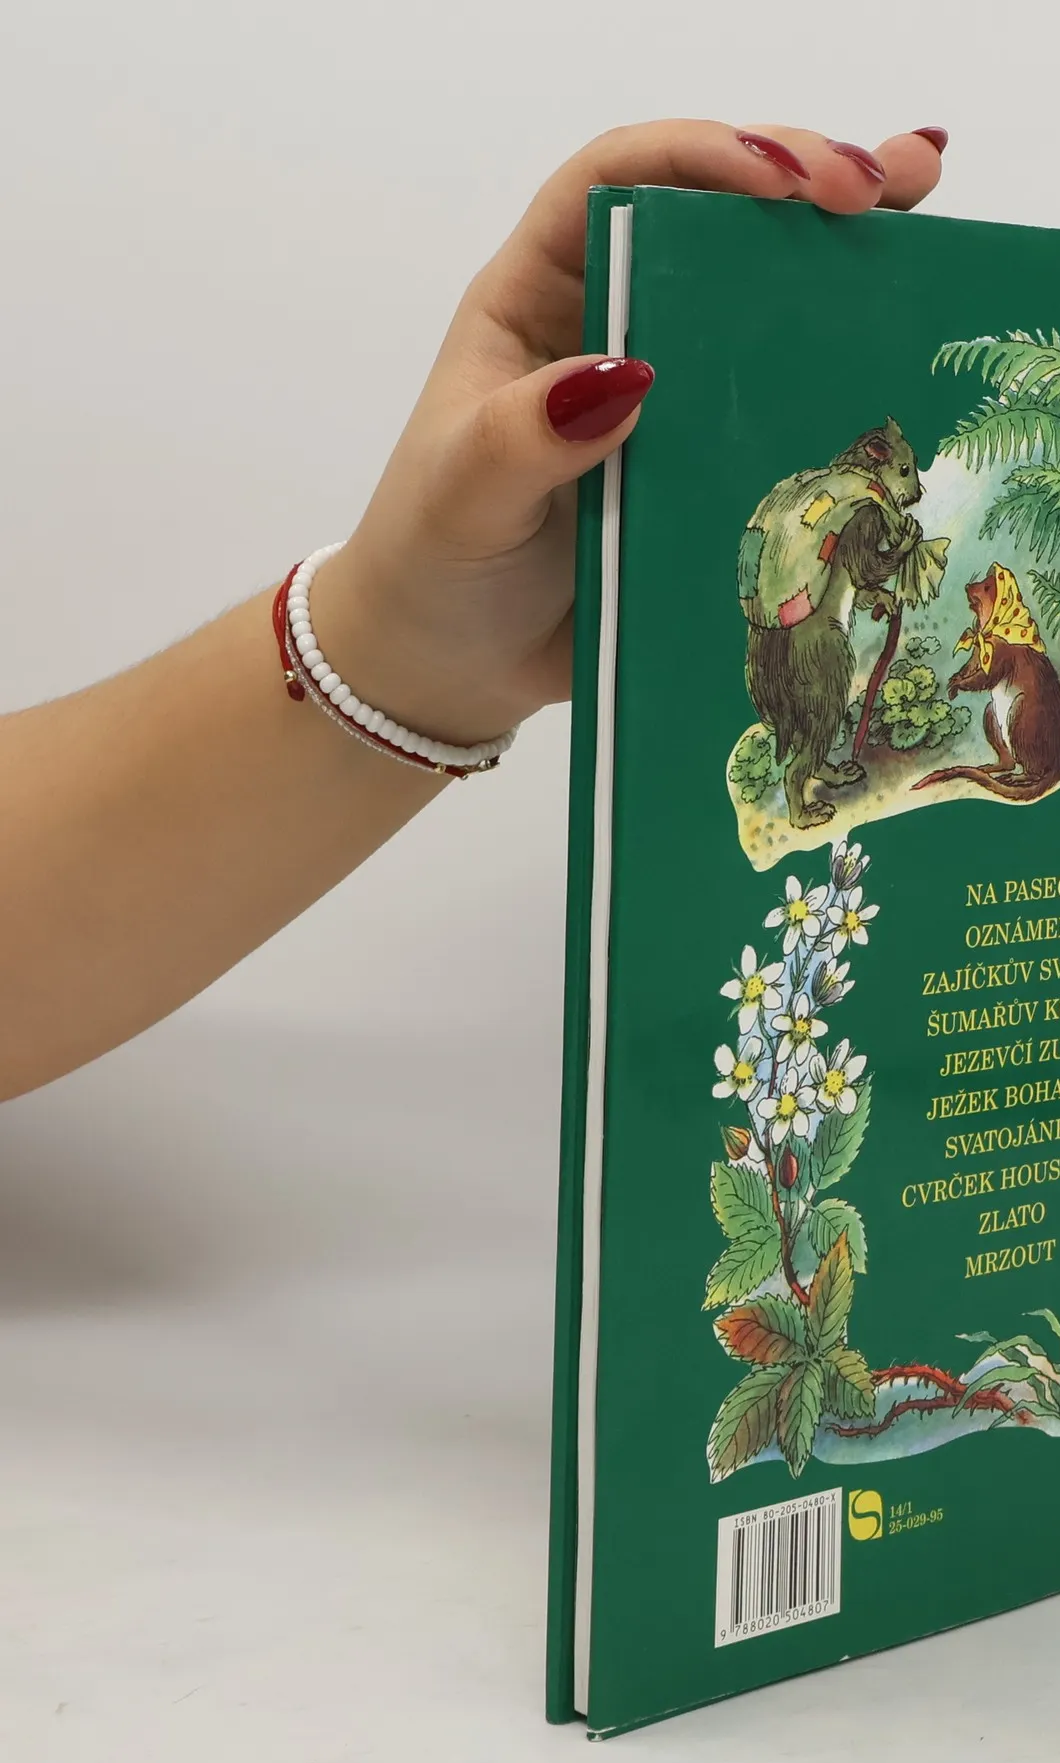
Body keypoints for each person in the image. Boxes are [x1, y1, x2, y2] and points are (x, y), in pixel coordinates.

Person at [0, 119, 947, 1103]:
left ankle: (807, 768)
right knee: (815, 714)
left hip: (773, 630)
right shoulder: (857, 502)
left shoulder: (825, 491)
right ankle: (807, 780)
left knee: (807, 715)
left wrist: (406, 649)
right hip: (804, 637)